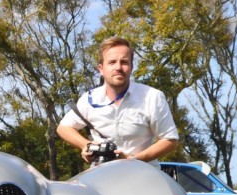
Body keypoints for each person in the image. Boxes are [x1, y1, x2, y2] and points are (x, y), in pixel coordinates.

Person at [57, 36, 179, 167]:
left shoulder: (152, 96)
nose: (118, 67)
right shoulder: (88, 99)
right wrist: (87, 145)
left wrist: (133, 160)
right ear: (101, 69)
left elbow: (170, 139)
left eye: (124, 62)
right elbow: (63, 128)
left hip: (143, 178)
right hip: (101, 179)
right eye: (112, 62)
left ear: (131, 67)